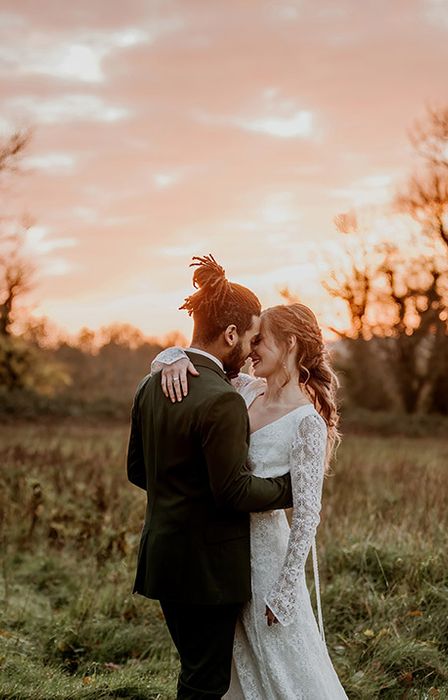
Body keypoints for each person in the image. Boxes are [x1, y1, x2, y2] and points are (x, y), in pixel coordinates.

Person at [153, 301, 347, 699]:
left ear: (290, 344)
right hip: (222, 554)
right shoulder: (244, 390)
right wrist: (171, 358)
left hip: (267, 561)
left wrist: (286, 591)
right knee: (229, 664)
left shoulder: (306, 421)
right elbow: (197, 364)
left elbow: (308, 513)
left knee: (281, 668)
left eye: (260, 341)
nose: (250, 349)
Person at [127, 255, 294, 699]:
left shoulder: (151, 384)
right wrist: (290, 487)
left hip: (163, 559)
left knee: (194, 670)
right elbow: (233, 490)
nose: (253, 349)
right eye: (252, 338)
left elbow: (137, 470)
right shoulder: (221, 399)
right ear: (231, 334)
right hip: (206, 570)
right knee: (205, 681)